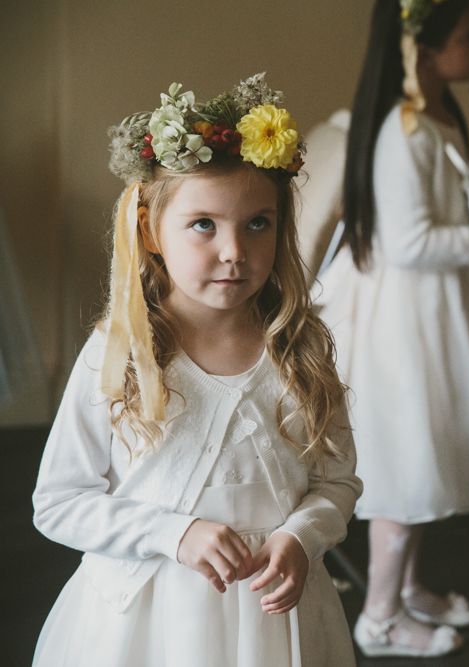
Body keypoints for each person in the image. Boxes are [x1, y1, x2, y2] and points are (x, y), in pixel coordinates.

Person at [31, 74, 362, 667]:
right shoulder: (120, 353)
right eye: (204, 224)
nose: (234, 250)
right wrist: (173, 535)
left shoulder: (299, 348)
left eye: (257, 223)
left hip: (274, 620)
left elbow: (337, 481)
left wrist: (301, 537)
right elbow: (60, 501)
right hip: (150, 621)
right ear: (151, 232)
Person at [316, 0, 469, 658]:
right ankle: (377, 618)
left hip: (437, 314)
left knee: (427, 457)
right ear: (424, 52)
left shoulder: (434, 118)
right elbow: (409, 242)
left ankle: (405, 587)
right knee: (406, 466)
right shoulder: (402, 131)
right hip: (408, 325)